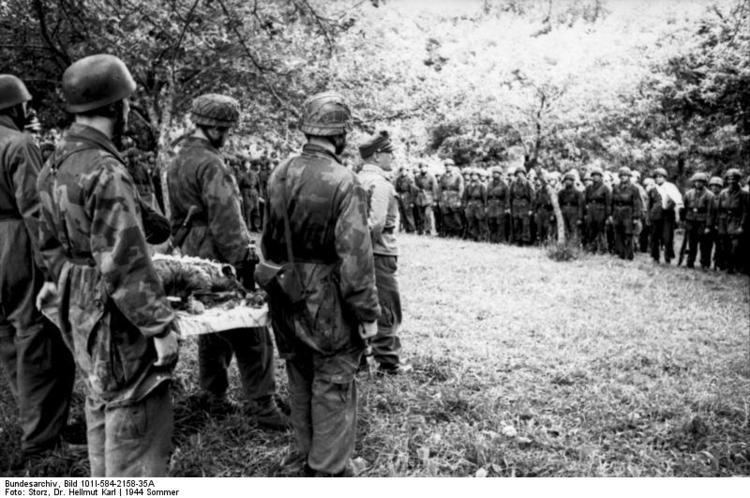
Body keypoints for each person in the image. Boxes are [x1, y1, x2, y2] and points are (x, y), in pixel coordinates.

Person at [36, 55, 178, 476]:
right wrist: (160, 328)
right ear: (116, 106)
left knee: (101, 398)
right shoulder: (104, 170)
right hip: (110, 304)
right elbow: (125, 264)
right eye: (128, 102)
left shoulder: (56, 160)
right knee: (135, 410)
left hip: (76, 295)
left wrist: (63, 282)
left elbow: (46, 240)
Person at [259, 91, 380, 476]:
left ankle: (306, 455)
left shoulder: (279, 171)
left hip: (283, 287)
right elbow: (355, 261)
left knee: (299, 375)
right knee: (333, 380)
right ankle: (328, 470)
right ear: (340, 134)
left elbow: (266, 239)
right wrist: (367, 313)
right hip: (325, 297)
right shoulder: (345, 181)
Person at [167, 93, 286, 428]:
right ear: (218, 128)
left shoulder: (178, 160)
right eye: (228, 129)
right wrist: (243, 260)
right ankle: (263, 407)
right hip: (218, 257)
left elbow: (176, 217)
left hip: (192, 255)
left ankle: (212, 393)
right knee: (250, 328)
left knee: (212, 326)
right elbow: (226, 221)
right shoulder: (212, 164)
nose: (229, 135)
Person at [0, 74, 76, 467]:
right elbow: (34, 209)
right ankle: (42, 442)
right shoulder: (20, 143)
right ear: (15, 107)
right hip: (15, 243)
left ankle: (35, 423)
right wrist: (54, 266)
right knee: (36, 338)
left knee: (7, 339)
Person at [358, 131, 410, 374]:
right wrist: (364, 250)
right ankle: (388, 361)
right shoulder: (379, 183)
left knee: (359, 302)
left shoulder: (357, 178)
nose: (393, 158)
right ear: (377, 156)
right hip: (379, 252)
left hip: (361, 251)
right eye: (390, 153)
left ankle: (359, 360)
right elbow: (376, 223)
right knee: (387, 307)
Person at [715, 168, 748, 274]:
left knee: (736, 245)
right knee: (725, 245)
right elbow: (719, 210)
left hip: (736, 221)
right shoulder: (723, 193)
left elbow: (746, 211)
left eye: (734, 179)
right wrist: (717, 224)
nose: (731, 181)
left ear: (738, 180)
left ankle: (736, 267)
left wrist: (742, 226)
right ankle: (727, 267)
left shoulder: (744, 194)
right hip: (724, 221)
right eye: (729, 179)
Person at [648, 167, 683, 264]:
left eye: (660, 177)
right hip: (656, 216)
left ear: (664, 178)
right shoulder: (652, 189)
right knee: (654, 237)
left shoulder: (671, 187)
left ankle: (668, 256)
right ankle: (655, 257)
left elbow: (678, 200)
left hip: (667, 216)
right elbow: (650, 204)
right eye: (656, 177)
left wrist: (677, 213)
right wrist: (649, 216)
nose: (658, 179)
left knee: (667, 237)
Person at [681, 172, 714, 269]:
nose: (698, 183)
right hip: (690, 220)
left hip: (702, 221)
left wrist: (708, 226)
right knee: (691, 243)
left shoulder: (709, 195)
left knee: (704, 244)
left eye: (701, 182)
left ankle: (704, 263)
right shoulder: (688, 193)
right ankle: (690, 262)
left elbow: (710, 212)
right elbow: (684, 208)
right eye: (696, 181)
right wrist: (683, 221)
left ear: (704, 183)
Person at [610, 167, 643, 260]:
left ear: (629, 177)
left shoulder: (634, 188)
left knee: (628, 234)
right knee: (618, 233)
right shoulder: (615, 187)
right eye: (621, 175)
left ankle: (629, 255)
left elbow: (637, 203)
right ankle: (621, 254)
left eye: (625, 175)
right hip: (617, 212)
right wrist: (611, 214)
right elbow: (612, 202)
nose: (623, 177)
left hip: (628, 212)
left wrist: (636, 216)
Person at [584, 166, 611, 254]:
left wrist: (608, 215)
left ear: (600, 177)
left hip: (601, 210)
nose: (595, 177)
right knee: (590, 229)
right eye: (594, 175)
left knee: (601, 230)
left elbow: (608, 203)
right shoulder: (589, 188)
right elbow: (586, 200)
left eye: (597, 175)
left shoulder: (605, 188)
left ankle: (603, 249)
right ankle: (592, 248)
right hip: (591, 209)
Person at [437, 159, 464, 237]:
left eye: (450, 166)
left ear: (453, 166)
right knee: (446, 216)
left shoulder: (458, 176)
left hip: (454, 198)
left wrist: (459, 199)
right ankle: (449, 233)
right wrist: (440, 200)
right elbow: (440, 188)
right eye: (446, 166)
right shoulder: (442, 176)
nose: (448, 167)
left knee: (456, 216)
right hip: (445, 198)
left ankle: (458, 233)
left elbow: (461, 189)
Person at [509, 165, 534, 245]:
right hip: (515, 205)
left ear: (524, 174)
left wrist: (531, 209)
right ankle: (517, 240)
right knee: (516, 223)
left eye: (521, 173)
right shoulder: (513, 183)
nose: (519, 175)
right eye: (518, 173)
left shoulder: (528, 183)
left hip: (525, 205)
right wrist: (509, 207)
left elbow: (532, 197)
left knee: (525, 224)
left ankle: (525, 240)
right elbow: (510, 196)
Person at [558, 171, 584, 245]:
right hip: (564, 210)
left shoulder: (578, 192)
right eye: (566, 180)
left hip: (574, 211)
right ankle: (566, 245)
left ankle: (573, 245)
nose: (567, 182)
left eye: (569, 180)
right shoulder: (561, 192)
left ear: (573, 182)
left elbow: (580, 206)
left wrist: (579, 217)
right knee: (565, 228)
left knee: (574, 229)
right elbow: (559, 204)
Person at [463, 169, 488, 241]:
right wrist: (465, 206)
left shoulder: (482, 186)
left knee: (480, 221)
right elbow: (465, 197)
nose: (474, 177)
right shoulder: (468, 186)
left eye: (475, 175)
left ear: (478, 176)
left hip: (479, 205)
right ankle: (473, 236)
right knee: (471, 221)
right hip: (470, 205)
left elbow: (485, 197)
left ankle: (482, 237)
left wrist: (486, 206)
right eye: (472, 175)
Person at [486, 166, 510, 243]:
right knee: (491, 222)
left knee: (500, 223)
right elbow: (486, 196)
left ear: (500, 174)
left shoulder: (504, 184)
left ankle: (500, 240)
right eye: (494, 173)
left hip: (500, 205)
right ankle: (492, 239)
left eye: (497, 173)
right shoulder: (489, 184)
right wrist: (486, 206)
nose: (495, 175)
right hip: (491, 205)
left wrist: (507, 207)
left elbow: (507, 197)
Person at [413, 161, 437, 235]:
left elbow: (434, 188)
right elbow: (414, 186)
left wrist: (435, 199)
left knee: (427, 214)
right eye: (421, 167)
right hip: (419, 197)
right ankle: (420, 230)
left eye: (424, 167)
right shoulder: (417, 177)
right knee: (420, 215)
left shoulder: (431, 177)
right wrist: (417, 191)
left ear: (427, 168)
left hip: (428, 197)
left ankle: (428, 230)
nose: (423, 169)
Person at [393, 165, 417, 233]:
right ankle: (406, 228)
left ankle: (412, 229)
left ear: (407, 171)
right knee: (402, 213)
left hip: (407, 196)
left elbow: (413, 191)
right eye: (402, 170)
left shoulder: (410, 179)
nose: (403, 172)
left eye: (405, 170)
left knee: (408, 214)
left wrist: (412, 201)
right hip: (400, 196)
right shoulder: (398, 179)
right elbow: (396, 188)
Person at [707, 176, 724, 269]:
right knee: (707, 245)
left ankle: (718, 263)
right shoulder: (708, 196)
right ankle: (706, 263)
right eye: (712, 186)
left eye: (717, 186)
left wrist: (718, 223)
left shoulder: (723, 197)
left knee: (719, 246)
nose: (714, 188)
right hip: (709, 224)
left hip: (720, 224)